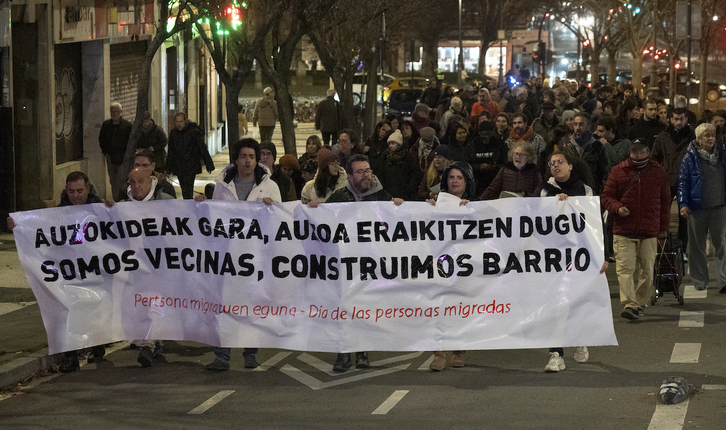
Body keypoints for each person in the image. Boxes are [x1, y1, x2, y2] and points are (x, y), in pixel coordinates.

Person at [7, 171, 107, 372]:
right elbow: (39, 231)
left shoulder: (100, 210)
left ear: (88, 189)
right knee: (67, 312)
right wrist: (18, 226)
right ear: (66, 191)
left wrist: (111, 210)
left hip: (94, 273)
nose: (75, 195)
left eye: (79, 190)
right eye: (71, 191)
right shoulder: (58, 214)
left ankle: (97, 343)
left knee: (92, 310)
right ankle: (71, 356)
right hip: (69, 273)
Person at [195, 138, 281, 371]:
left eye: (252, 157)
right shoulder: (223, 185)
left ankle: (250, 353)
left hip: (254, 255)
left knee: (250, 304)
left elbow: (280, 221)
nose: (248, 161)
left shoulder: (269, 187)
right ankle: (222, 356)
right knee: (223, 305)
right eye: (243, 156)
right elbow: (214, 219)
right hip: (226, 256)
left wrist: (272, 207)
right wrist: (203, 207)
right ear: (236, 159)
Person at [313, 154, 403, 372]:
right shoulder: (338, 198)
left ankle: (362, 351)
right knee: (343, 309)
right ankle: (342, 353)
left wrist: (400, 207)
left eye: (368, 170)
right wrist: (315, 211)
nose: (366, 175)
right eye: (361, 172)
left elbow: (396, 224)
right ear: (350, 176)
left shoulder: (382, 197)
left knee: (363, 308)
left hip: (370, 265)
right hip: (344, 265)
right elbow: (325, 225)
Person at [538, 151, 608, 372]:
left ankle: (580, 338)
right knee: (554, 304)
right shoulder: (544, 191)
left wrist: (601, 254)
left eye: (560, 162)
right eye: (552, 163)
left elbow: (594, 225)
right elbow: (533, 222)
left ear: (570, 166)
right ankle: (555, 354)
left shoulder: (584, 190)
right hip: (553, 257)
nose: (555, 166)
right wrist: (553, 206)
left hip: (580, 256)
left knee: (577, 301)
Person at [602, 140, 670, 319]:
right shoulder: (618, 171)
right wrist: (617, 207)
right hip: (623, 230)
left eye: (642, 151)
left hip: (649, 230)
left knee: (647, 271)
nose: (638, 155)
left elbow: (665, 202)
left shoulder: (658, 172)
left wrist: (663, 228)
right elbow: (606, 196)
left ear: (648, 151)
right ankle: (630, 304)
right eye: (635, 152)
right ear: (630, 153)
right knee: (625, 269)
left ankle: (640, 303)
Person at [425, 161, 479, 371]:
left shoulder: (476, 203)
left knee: (461, 307)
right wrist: (427, 209)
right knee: (439, 307)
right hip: (440, 262)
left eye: (459, 178)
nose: (455, 181)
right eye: (451, 177)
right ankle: (439, 353)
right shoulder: (435, 202)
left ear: (467, 181)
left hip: (467, 265)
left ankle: (459, 350)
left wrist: (473, 211)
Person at [678, 123, 726, 292]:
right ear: (698, 139)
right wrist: (683, 204)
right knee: (697, 246)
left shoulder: (722, 154)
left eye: (712, 135)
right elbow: (683, 181)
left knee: (722, 245)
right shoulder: (690, 157)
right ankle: (699, 281)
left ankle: (724, 281)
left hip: (720, 206)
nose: (710, 138)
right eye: (706, 136)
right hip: (697, 208)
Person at [652, 108, 696, 251]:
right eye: (676, 119)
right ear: (671, 120)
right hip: (667, 180)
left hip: (686, 181)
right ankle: (661, 247)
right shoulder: (663, 137)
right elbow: (654, 158)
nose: (679, 122)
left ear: (686, 119)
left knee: (685, 216)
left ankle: (682, 248)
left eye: (681, 119)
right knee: (663, 213)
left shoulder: (692, 137)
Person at [166, 112, 215, 199]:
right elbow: (171, 151)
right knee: (183, 188)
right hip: (179, 166)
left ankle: (188, 206)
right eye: (177, 122)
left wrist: (209, 164)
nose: (179, 124)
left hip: (190, 166)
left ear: (185, 121)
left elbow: (202, 148)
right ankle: (188, 204)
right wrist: (168, 168)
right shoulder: (174, 133)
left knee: (187, 190)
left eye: (181, 121)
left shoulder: (193, 132)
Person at [568, 112, 609, 195]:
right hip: (570, 191)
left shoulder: (597, 147)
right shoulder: (566, 147)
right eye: (575, 124)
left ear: (589, 126)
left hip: (592, 191)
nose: (577, 128)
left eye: (581, 124)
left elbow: (604, 172)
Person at [99, 102, 132, 200]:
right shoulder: (106, 125)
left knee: (122, 180)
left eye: (116, 111)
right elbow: (101, 139)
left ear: (121, 112)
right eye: (112, 112)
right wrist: (106, 152)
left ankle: (123, 198)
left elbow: (131, 141)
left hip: (123, 157)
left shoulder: (127, 125)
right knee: (113, 180)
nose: (114, 114)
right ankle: (116, 199)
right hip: (110, 157)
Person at [380, 130, 420, 201]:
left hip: (405, 193)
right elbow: (381, 173)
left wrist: (409, 188)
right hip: (389, 192)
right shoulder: (385, 157)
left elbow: (415, 173)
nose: (391, 146)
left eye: (393, 143)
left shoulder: (408, 157)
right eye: (389, 144)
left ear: (399, 144)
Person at [470, 121, 508, 194]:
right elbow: (467, 164)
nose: (487, 137)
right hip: (477, 181)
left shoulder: (499, 145)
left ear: (492, 132)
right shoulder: (472, 145)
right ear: (479, 133)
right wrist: (479, 167)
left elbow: (505, 164)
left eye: (489, 134)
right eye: (484, 134)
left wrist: (493, 167)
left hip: (495, 180)